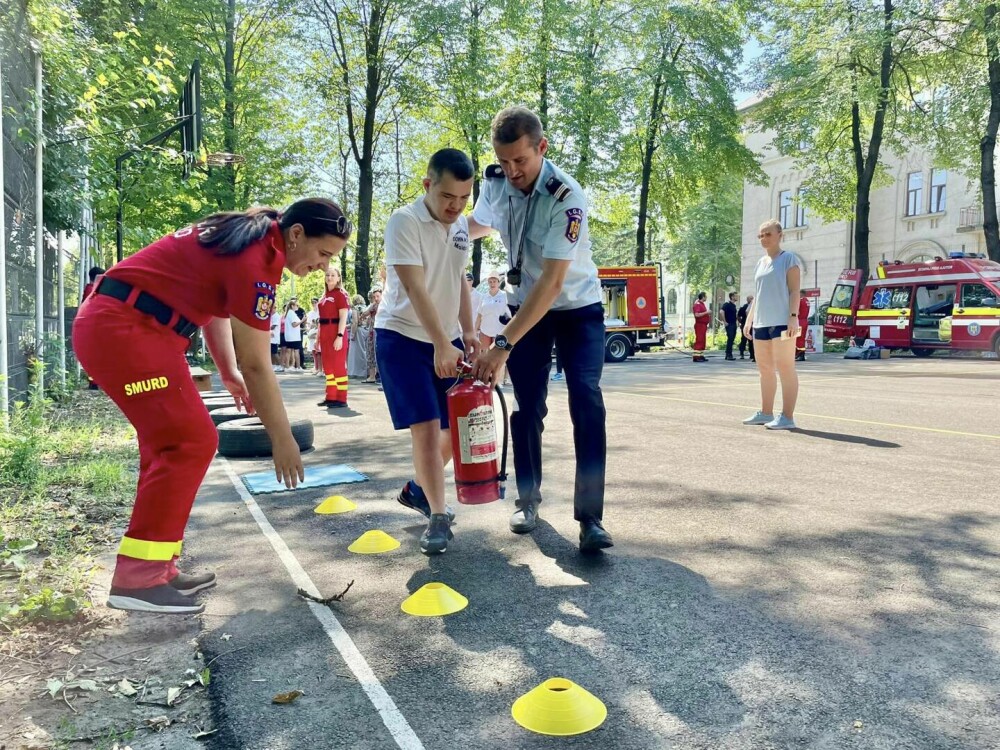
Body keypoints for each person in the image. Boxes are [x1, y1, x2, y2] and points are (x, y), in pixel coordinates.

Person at [72, 199, 351, 613]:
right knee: (191, 442)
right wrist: (282, 438)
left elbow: (217, 311)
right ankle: (137, 581)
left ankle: (155, 564)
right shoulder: (256, 259)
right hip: (125, 329)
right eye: (323, 253)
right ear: (296, 235)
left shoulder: (254, 239)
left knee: (166, 445)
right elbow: (259, 364)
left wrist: (227, 371)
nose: (321, 265)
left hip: (140, 329)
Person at [469, 106, 612, 553]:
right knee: (527, 406)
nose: (512, 171)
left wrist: (502, 345)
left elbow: (551, 284)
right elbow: (473, 226)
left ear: (542, 148)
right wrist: (434, 227)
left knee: (585, 399)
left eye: (521, 161)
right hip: (523, 304)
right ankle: (527, 500)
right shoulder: (495, 181)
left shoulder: (566, 195)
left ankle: (590, 519)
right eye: (504, 160)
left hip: (574, 307)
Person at [375, 148, 478, 555]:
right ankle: (438, 516)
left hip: (446, 337)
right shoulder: (404, 221)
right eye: (447, 197)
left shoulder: (460, 228)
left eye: (463, 199)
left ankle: (418, 489)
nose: (455, 207)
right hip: (402, 336)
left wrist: (467, 332)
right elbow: (415, 289)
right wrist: (440, 343)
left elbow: (459, 280)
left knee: (454, 433)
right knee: (427, 426)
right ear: (427, 186)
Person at [742, 219, 801, 430]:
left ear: (779, 235)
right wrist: (749, 320)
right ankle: (766, 413)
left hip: (782, 322)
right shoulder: (760, 263)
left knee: (785, 368)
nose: (763, 239)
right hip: (761, 323)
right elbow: (758, 295)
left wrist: (793, 316)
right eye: (760, 235)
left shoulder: (789, 259)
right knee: (765, 369)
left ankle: (787, 416)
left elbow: (795, 291)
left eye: (768, 234)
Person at [317, 267, 351, 408]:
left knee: (337, 366)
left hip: (336, 331)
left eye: (333, 275)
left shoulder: (340, 295)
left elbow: (343, 317)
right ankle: (331, 396)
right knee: (328, 367)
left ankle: (341, 398)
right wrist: (318, 338)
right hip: (324, 332)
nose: (329, 277)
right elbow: (321, 319)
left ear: (338, 278)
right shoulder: (324, 296)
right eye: (327, 275)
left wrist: (340, 335)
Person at [477, 268, 512, 386]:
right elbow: (479, 314)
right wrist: (474, 329)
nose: (492, 284)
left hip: (499, 331)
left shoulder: (504, 296)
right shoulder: (484, 296)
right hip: (485, 330)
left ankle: (499, 380)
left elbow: (509, 313)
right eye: (490, 282)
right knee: (484, 355)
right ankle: (484, 379)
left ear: (498, 282)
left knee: (498, 355)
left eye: (494, 281)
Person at [359, 288, 382, 383]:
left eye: (377, 296)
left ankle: (377, 375)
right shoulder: (374, 305)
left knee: (377, 352)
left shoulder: (381, 305)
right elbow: (364, 314)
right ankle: (372, 375)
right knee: (370, 352)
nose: (376, 298)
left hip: (379, 330)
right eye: (374, 297)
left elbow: (365, 314)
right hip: (372, 330)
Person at [348, 293, 368, 379]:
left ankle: (357, 372)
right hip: (366, 330)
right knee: (365, 351)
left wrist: (352, 334)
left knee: (357, 352)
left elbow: (355, 322)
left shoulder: (355, 309)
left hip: (359, 330)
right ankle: (366, 371)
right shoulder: (366, 308)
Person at [283, 300, 303, 372]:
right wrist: (302, 320)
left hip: (290, 335)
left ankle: (287, 366)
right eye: (296, 305)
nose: (297, 306)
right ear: (292, 306)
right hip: (294, 337)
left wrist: (301, 328)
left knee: (289, 350)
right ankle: (298, 367)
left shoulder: (289, 313)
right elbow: (294, 324)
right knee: (296, 351)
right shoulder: (291, 313)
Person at [692, 292, 710, 362]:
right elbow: (697, 315)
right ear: (703, 297)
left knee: (702, 341)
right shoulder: (698, 305)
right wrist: (706, 312)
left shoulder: (702, 304)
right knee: (699, 340)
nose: (706, 298)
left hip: (703, 325)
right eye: (705, 296)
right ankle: (696, 357)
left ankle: (701, 355)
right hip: (700, 325)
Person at [720, 292, 738, 361]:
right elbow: (721, 311)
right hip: (729, 324)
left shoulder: (734, 305)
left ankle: (728, 354)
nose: (737, 297)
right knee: (730, 339)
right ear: (732, 297)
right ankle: (728, 355)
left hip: (733, 324)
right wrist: (725, 321)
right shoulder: (727, 304)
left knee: (732, 339)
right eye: (736, 296)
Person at [737, 294, 755, 361]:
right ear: (747, 299)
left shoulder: (754, 306)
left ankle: (752, 354)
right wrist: (741, 322)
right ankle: (742, 353)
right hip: (745, 325)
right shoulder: (744, 307)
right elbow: (738, 315)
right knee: (744, 339)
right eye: (751, 298)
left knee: (751, 340)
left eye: (752, 298)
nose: (752, 299)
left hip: (752, 325)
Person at [307, 297, 321, 374]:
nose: (314, 304)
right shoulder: (310, 313)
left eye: (315, 302)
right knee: (313, 350)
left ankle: (319, 367)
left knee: (318, 350)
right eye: (312, 302)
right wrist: (309, 327)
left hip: (319, 330)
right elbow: (308, 324)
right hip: (313, 331)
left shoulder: (320, 312)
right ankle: (316, 366)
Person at [795, 292, 810, 362]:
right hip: (805, 321)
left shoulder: (800, 301)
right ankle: (801, 354)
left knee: (798, 339)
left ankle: (799, 354)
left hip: (799, 321)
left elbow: (797, 312)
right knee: (802, 338)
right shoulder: (807, 301)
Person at [270, 307, 284, 372]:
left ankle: (280, 366)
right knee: (271, 352)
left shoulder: (276, 316)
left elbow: (273, 327)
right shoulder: (271, 316)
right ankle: (274, 365)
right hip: (270, 337)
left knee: (274, 352)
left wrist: (265, 328)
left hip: (274, 337)